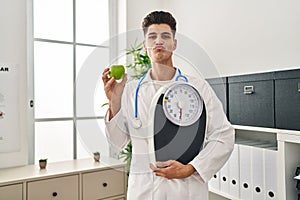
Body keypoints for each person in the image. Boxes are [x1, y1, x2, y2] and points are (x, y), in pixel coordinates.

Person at [102, 10, 234, 200]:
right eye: (152, 36)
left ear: (174, 44)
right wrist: (114, 102)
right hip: (144, 191)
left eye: (165, 36)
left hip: (186, 190)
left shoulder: (197, 87)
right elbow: (117, 142)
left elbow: (224, 136)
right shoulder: (131, 91)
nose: (159, 41)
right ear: (145, 45)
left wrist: (190, 169)